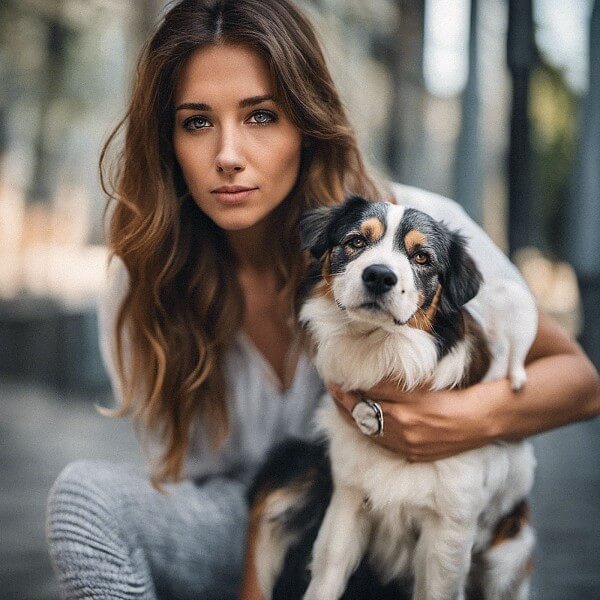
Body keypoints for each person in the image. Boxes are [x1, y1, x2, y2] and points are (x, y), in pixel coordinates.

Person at [45, 1, 600, 599]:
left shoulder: (420, 230)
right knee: (82, 499)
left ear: (306, 124)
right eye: (197, 122)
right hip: (252, 524)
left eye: (260, 116)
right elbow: (186, 479)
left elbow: (580, 382)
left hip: (405, 526)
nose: (228, 154)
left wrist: (456, 422)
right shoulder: (142, 286)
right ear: (168, 140)